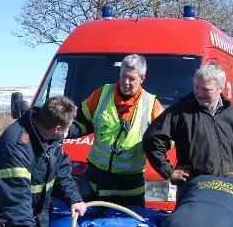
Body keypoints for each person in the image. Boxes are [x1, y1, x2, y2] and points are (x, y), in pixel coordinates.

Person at [0, 95, 87, 227]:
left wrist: (73, 198)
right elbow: (15, 198)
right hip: (12, 217)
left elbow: (61, 171)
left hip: (39, 209)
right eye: (67, 128)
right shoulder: (16, 145)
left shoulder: (52, 137)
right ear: (57, 129)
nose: (69, 132)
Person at [68, 54, 164, 206]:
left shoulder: (152, 104)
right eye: (123, 76)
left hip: (129, 190)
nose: (126, 82)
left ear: (142, 79)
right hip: (95, 183)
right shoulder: (102, 93)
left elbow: (165, 141)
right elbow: (82, 121)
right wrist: (66, 131)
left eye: (131, 78)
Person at [143, 62, 233, 189]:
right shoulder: (181, 111)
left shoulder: (231, 110)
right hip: (194, 189)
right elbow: (152, 139)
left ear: (220, 88)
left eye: (206, 89)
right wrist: (169, 172)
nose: (199, 93)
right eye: (196, 87)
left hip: (227, 188)